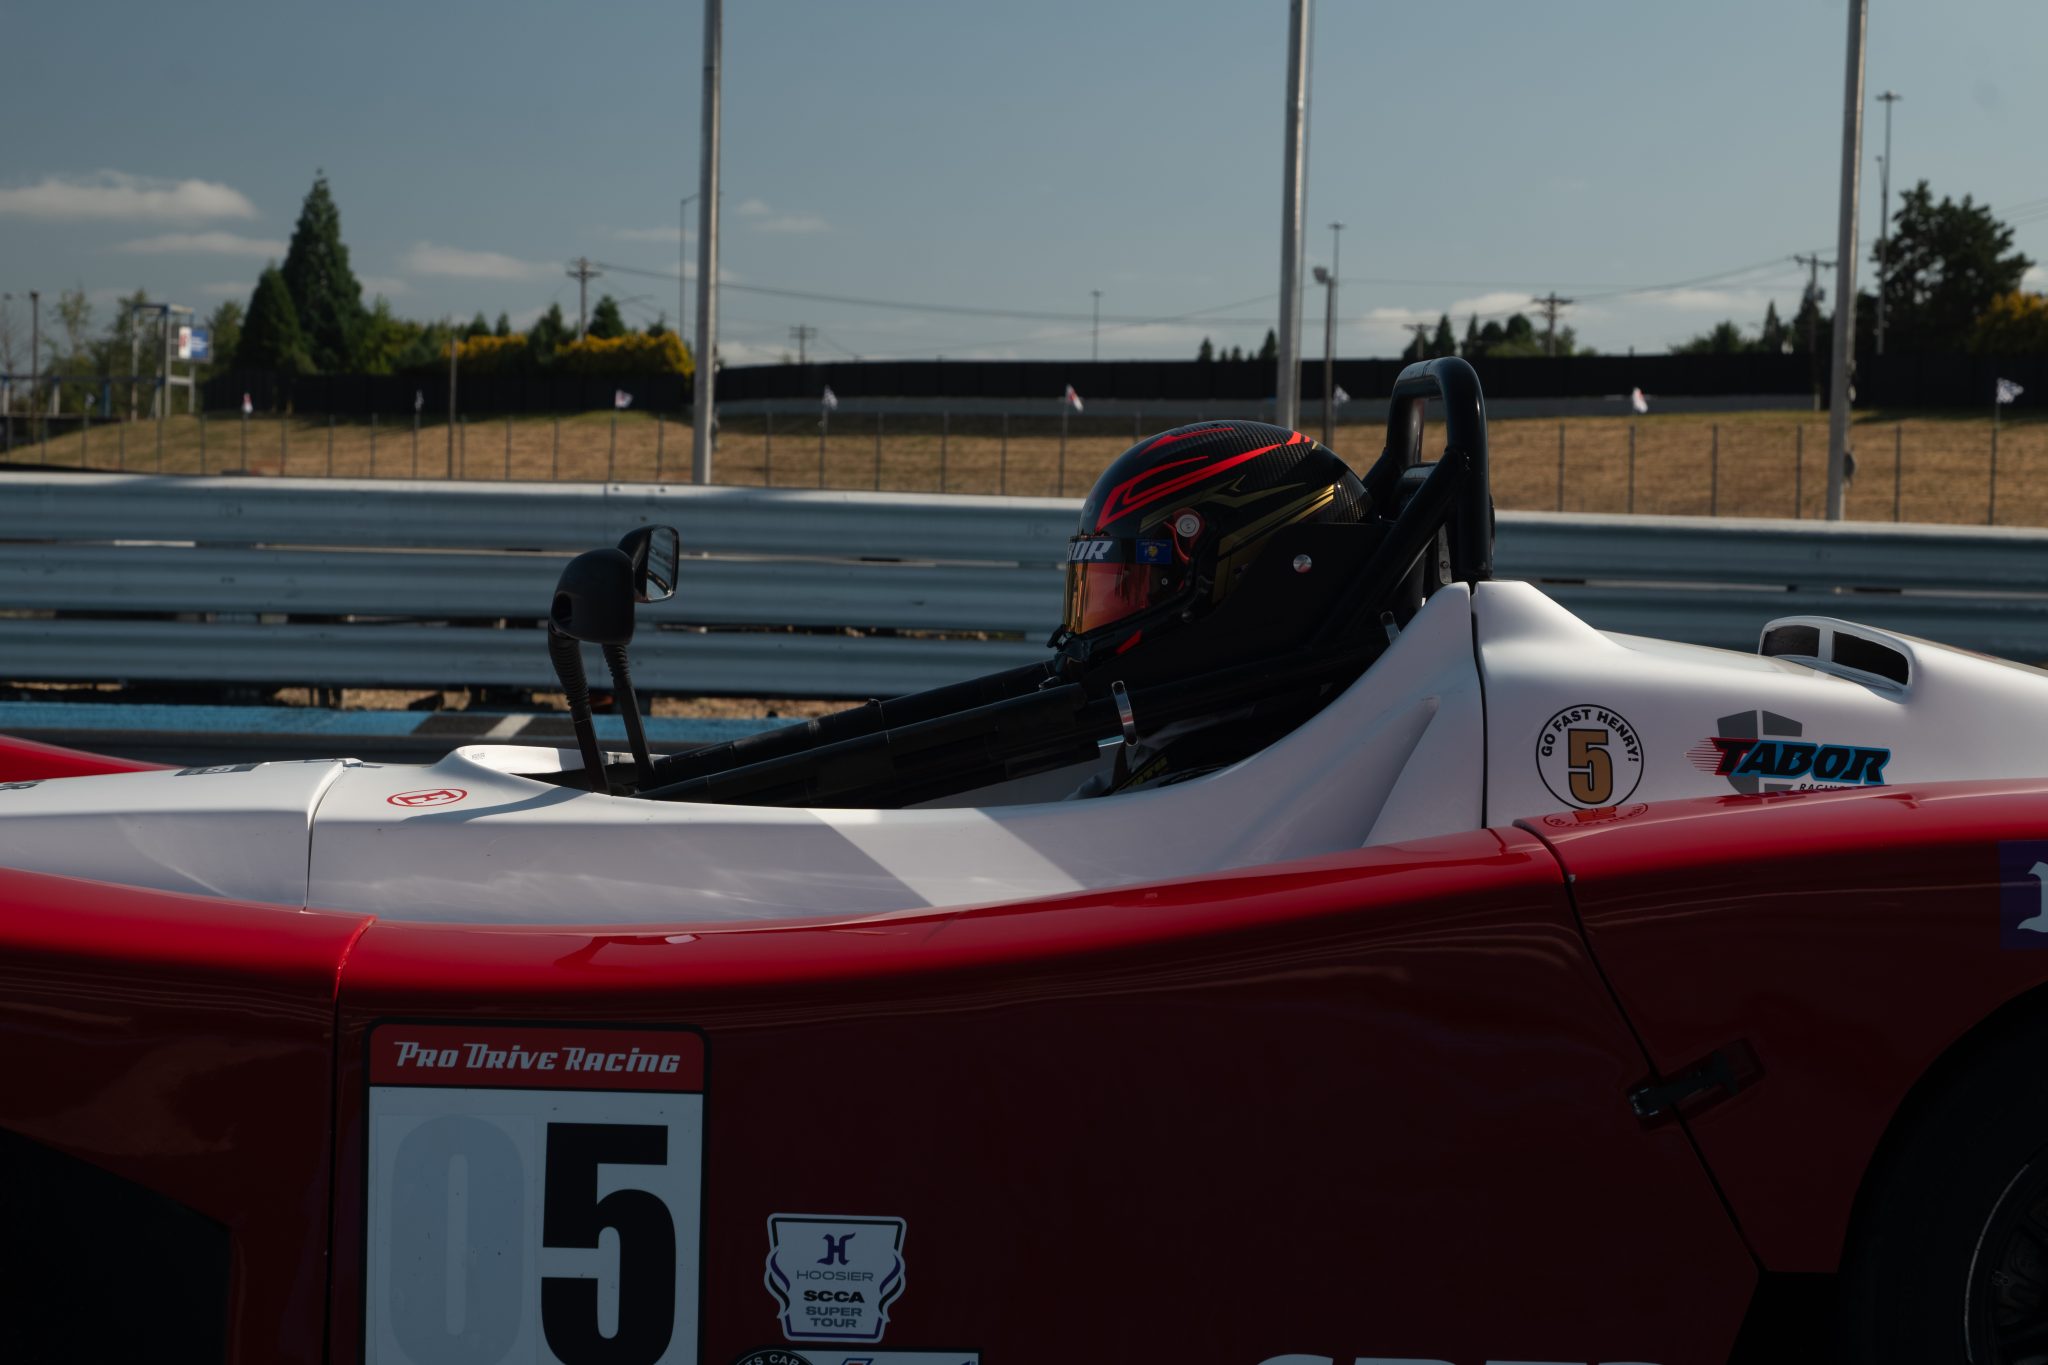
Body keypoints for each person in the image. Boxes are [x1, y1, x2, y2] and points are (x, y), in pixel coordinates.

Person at [1053, 419, 1374, 794]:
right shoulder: (1170, 746)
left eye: (1136, 585)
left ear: (1242, 577)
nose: (1097, 622)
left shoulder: (1218, 780)